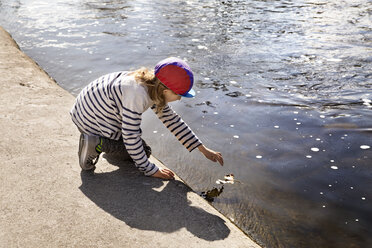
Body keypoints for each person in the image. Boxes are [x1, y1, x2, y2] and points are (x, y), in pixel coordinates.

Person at [70, 57, 223, 179]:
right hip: (90, 121)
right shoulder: (137, 95)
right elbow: (130, 135)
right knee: (143, 151)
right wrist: (150, 170)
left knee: (139, 151)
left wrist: (202, 149)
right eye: (178, 94)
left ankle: (107, 143)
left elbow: (173, 121)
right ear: (165, 90)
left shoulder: (150, 86)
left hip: (88, 112)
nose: (179, 99)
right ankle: (95, 143)